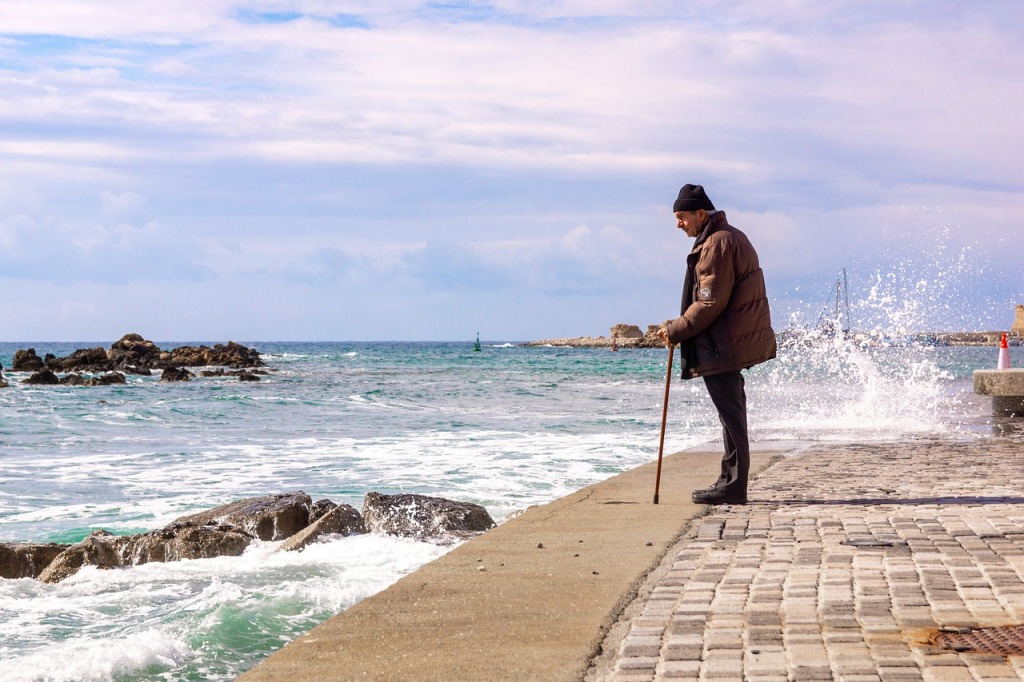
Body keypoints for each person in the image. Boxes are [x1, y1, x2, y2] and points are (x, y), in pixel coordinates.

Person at [657, 184, 776, 505]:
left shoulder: (717, 243)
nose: (678, 224)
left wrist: (676, 329)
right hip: (729, 341)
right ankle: (729, 481)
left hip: (723, 345)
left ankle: (733, 486)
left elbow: (710, 301)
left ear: (700, 213)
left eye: (682, 217)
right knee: (731, 416)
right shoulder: (727, 237)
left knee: (731, 417)